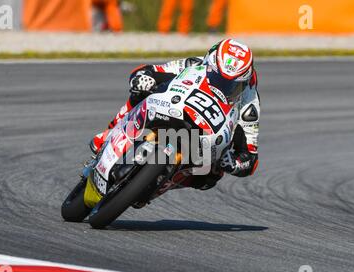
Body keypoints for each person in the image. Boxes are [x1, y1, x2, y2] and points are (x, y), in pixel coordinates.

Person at [90, 38, 260, 188]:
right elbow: (149, 70)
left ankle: (162, 181)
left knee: (212, 175)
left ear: (244, 82)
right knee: (141, 91)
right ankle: (110, 133)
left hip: (206, 136)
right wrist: (143, 78)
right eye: (218, 79)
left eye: (232, 85)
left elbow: (250, 158)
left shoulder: (249, 102)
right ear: (209, 63)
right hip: (171, 107)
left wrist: (234, 164)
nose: (222, 87)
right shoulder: (195, 64)